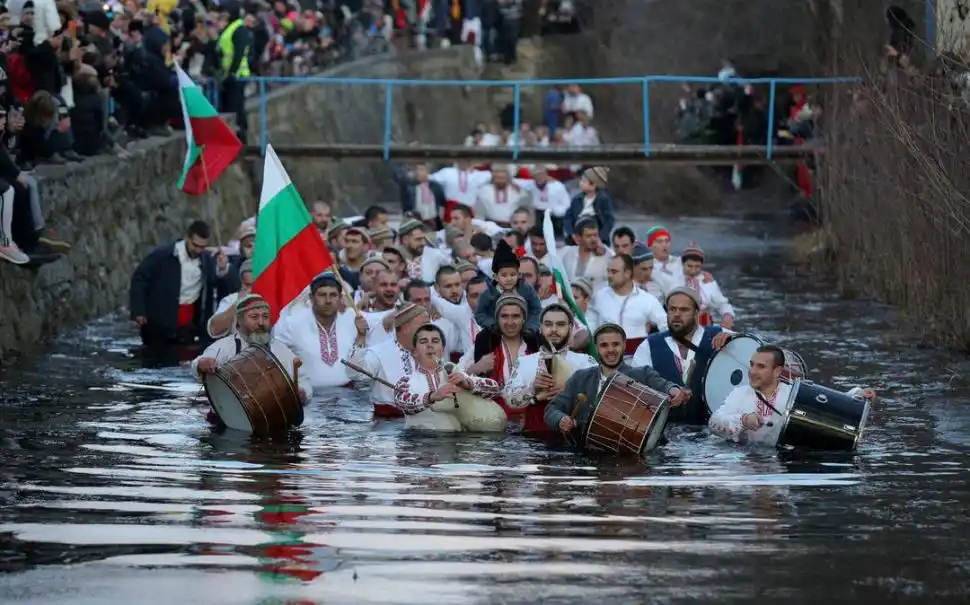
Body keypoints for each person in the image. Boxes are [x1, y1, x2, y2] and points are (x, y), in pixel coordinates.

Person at [544, 323, 690, 444]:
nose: (611, 350)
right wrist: (561, 420)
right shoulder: (580, 378)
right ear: (596, 348)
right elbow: (551, 410)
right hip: (589, 452)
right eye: (604, 345)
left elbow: (664, 385)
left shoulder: (643, 374)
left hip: (636, 454)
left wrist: (674, 390)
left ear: (624, 345)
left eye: (615, 344)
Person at [709, 345, 878, 446]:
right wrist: (744, 420)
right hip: (745, 462)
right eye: (752, 365)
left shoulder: (794, 393)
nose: (752, 371)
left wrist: (857, 395)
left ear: (777, 372)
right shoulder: (740, 393)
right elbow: (713, 422)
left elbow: (826, 405)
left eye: (761, 367)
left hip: (785, 461)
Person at [632, 287, 734, 425]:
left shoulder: (721, 335)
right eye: (672, 309)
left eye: (684, 310)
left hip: (712, 431)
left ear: (696, 313)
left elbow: (759, 354)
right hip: (668, 432)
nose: (677, 314)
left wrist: (733, 344)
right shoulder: (649, 345)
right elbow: (636, 391)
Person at [191, 293, 310, 403]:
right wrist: (202, 364)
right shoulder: (224, 347)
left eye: (265, 316)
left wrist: (303, 393)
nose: (261, 322)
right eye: (254, 317)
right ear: (239, 321)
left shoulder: (280, 350)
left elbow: (303, 381)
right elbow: (198, 365)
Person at [129, 220, 230, 348]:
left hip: (189, 325)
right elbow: (140, 278)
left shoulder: (208, 260)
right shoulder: (163, 255)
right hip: (158, 321)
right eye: (195, 245)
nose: (198, 250)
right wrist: (138, 310)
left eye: (202, 247)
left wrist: (222, 269)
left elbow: (217, 285)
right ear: (187, 237)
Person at [504, 304, 598, 433]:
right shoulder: (524, 361)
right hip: (532, 440)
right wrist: (533, 388)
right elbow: (509, 401)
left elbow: (599, 399)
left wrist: (570, 391)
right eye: (548, 324)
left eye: (560, 324)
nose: (554, 329)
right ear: (541, 327)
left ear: (570, 328)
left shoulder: (586, 362)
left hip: (573, 438)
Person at [392, 323, 503, 430]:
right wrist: (432, 397)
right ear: (414, 352)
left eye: (435, 341)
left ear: (443, 349)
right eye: (423, 341)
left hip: (454, 444)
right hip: (419, 442)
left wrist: (468, 384)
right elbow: (404, 404)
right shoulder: (405, 381)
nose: (430, 345)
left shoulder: (456, 373)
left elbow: (495, 389)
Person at [273, 272, 363, 390]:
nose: (328, 300)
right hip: (309, 398)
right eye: (322, 295)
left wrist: (392, 315)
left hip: (348, 397)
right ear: (311, 297)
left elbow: (380, 321)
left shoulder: (352, 317)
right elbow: (275, 351)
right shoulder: (292, 323)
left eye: (333, 295)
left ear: (340, 298)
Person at [347, 302, 431, 418]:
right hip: (389, 426)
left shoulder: (430, 349)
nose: (430, 330)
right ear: (406, 328)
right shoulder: (379, 353)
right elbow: (355, 374)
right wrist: (361, 337)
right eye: (425, 325)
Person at [587, 254, 668, 354]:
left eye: (614, 272)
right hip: (605, 357)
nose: (609, 275)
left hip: (636, 359)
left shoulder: (647, 300)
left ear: (628, 273)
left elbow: (665, 326)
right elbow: (589, 325)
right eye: (608, 271)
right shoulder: (599, 297)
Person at [474, 239, 543, 334]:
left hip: (525, 332)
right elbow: (480, 314)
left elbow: (536, 310)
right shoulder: (489, 293)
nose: (509, 279)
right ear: (495, 277)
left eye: (513, 274)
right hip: (495, 333)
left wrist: (530, 327)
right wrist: (493, 325)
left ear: (519, 275)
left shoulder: (527, 290)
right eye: (504, 275)